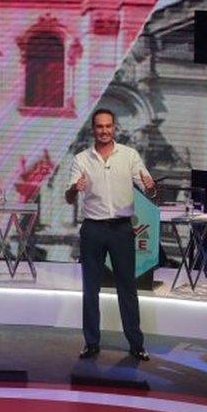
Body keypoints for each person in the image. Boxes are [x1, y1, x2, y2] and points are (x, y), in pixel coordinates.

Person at [66, 108, 155, 361]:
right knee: (90, 288)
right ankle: (91, 342)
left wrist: (150, 186)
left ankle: (136, 344)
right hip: (93, 229)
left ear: (114, 128)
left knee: (127, 287)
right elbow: (69, 196)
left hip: (121, 229)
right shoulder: (81, 159)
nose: (104, 131)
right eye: (99, 127)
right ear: (92, 129)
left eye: (108, 126)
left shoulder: (129, 155)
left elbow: (147, 186)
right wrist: (75, 187)